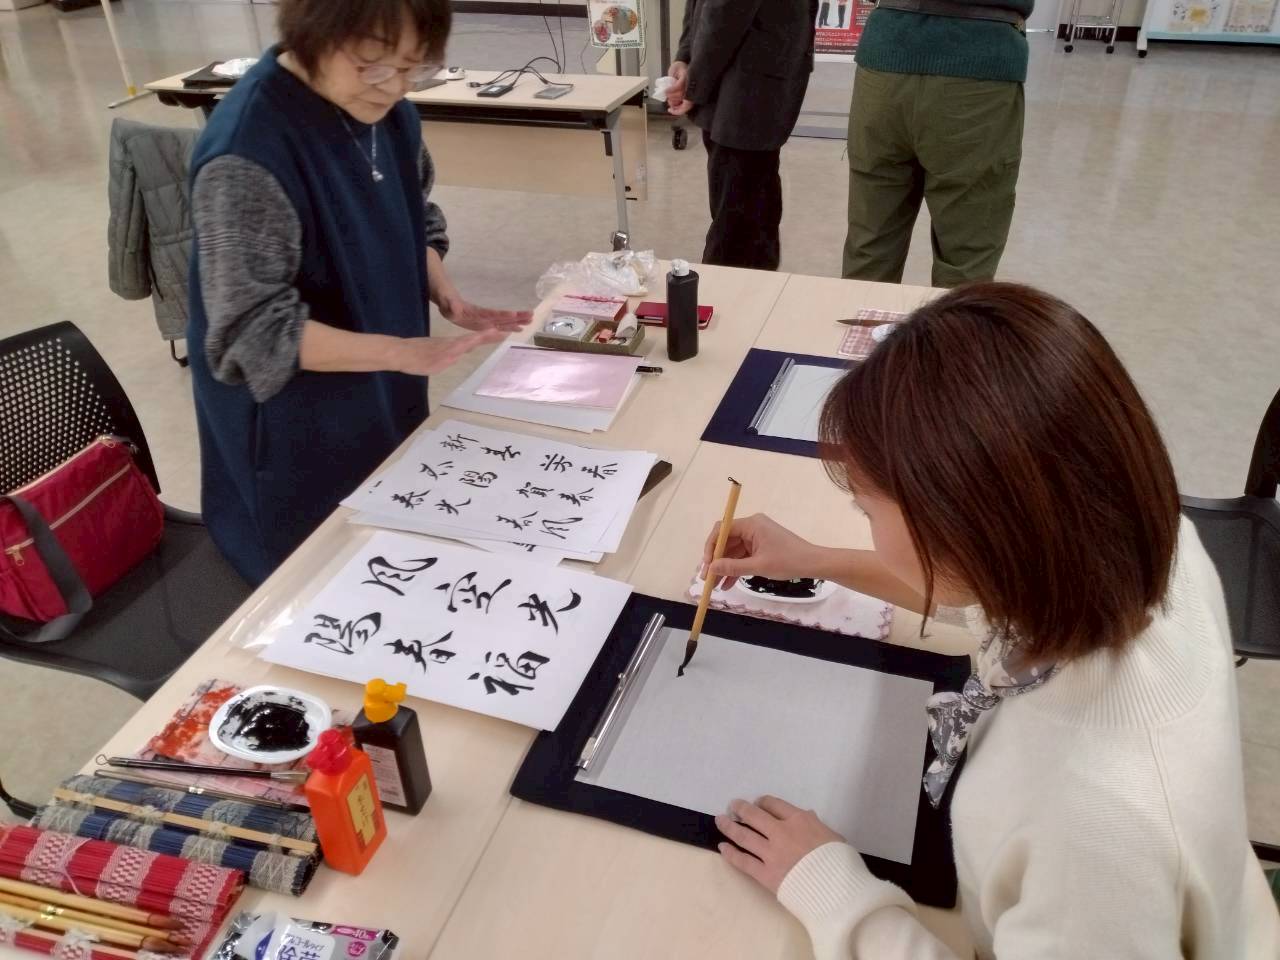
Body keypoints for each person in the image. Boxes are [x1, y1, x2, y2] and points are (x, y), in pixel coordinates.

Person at [700, 284, 1280, 957]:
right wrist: (813, 558)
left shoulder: (1086, 827)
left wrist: (838, 894)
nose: (865, 524)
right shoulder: (1147, 549)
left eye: (866, 510)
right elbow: (982, 598)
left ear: (966, 529)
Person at [187, 0, 530, 586]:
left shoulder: (391, 113)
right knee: (317, 575)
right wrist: (399, 352)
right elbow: (251, 330)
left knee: (393, 545)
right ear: (311, 32)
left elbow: (413, 214)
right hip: (294, 424)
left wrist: (444, 292)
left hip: (381, 382)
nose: (394, 86)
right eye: (373, 65)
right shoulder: (248, 152)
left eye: (414, 67)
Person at [842, 0, 1032, 287]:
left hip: (885, 58)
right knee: (965, 262)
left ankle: (861, 313)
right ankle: (955, 319)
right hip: (979, 64)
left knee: (869, 248)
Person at [665, 1, 818, 271]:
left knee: (746, 215)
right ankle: (736, 292)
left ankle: (745, 290)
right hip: (742, 88)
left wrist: (692, 71)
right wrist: (688, 63)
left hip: (749, 85)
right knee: (742, 222)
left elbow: (722, 10)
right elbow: (720, 9)